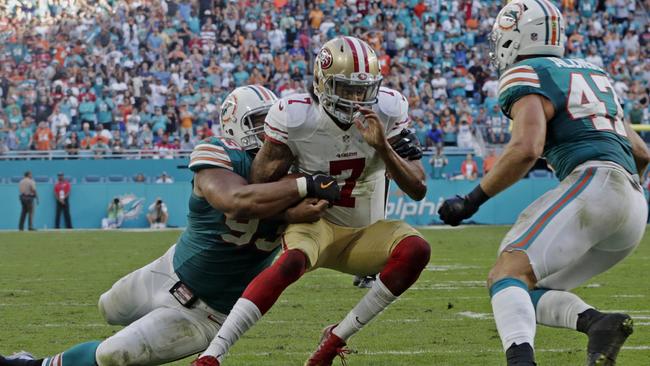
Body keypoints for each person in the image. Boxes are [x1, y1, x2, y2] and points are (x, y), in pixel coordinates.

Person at [0, 86, 339, 366]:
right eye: (258, 120)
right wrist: (303, 186)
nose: (267, 129)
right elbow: (236, 200)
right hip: (168, 270)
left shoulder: (292, 167)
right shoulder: (221, 154)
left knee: (112, 355)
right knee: (108, 306)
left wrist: (295, 202)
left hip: (208, 312)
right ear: (234, 124)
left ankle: (34, 364)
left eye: (272, 120)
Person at [195, 37, 430, 366]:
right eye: (346, 89)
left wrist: (383, 147)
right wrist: (294, 204)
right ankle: (212, 355)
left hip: (366, 231)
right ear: (322, 83)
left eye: (363, 91)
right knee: (289, 264)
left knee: (417, 250)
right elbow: (262, 182)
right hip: (316, 224)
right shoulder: (295, 115)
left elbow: (418, 188)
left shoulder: (389, 110)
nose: (356, 100)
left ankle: (334, 339)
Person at [438, 1, 650, 365]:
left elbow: (525, 148)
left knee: (507, 272)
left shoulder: (526, 72)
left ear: (517, 35)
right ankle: (598, 324)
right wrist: (618, 196)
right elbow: (642, 153)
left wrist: (470, 201)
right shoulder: (593, 73)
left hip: (594, 184)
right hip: (633, 205)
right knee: (522, 290)